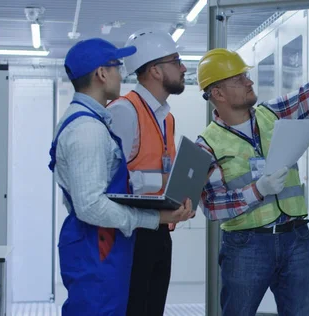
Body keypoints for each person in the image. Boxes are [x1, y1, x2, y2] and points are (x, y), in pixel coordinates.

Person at [195, 26, 309, 315]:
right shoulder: (207, 144)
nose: (249, 82)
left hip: (295, 237)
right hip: (247, 246)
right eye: (240, 78)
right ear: (217, 93)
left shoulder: (274, 114)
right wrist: (258, 190)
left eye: (246, 75)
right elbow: (211, 207)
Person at [48, 38, 194, 315]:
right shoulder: (87, 130)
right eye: (116, 66)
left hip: (105, 241)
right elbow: (91, 206)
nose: (121, 73)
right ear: (102, 74)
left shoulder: (92, 121)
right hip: (97, 243)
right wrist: (154, 218)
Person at [106, 29, 188, 316]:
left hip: (159, 230)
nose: (184, 68)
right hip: (130, 235)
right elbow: (110, 184)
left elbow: (159, 168)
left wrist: (182, 193)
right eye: (176, 61)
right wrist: (166, 183)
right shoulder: (123, 112)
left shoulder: (167, 118)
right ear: (155, 70)